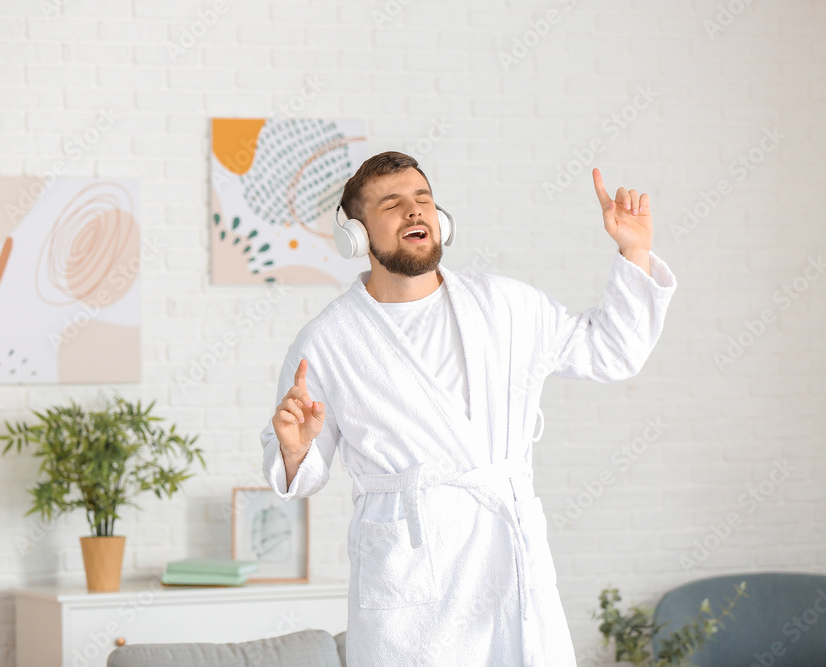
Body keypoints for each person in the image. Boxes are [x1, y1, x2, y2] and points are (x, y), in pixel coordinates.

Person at [259, 151, 676, 665]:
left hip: (509, 561)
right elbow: (300, 475)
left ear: (441, 221)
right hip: (411, 580)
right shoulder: (328, 341)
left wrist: (635, 251)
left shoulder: (506, 306)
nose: (414, 212)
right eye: (392, 204)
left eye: (424, 200)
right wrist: (295, 450)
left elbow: (612, 351)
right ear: (357, 236)